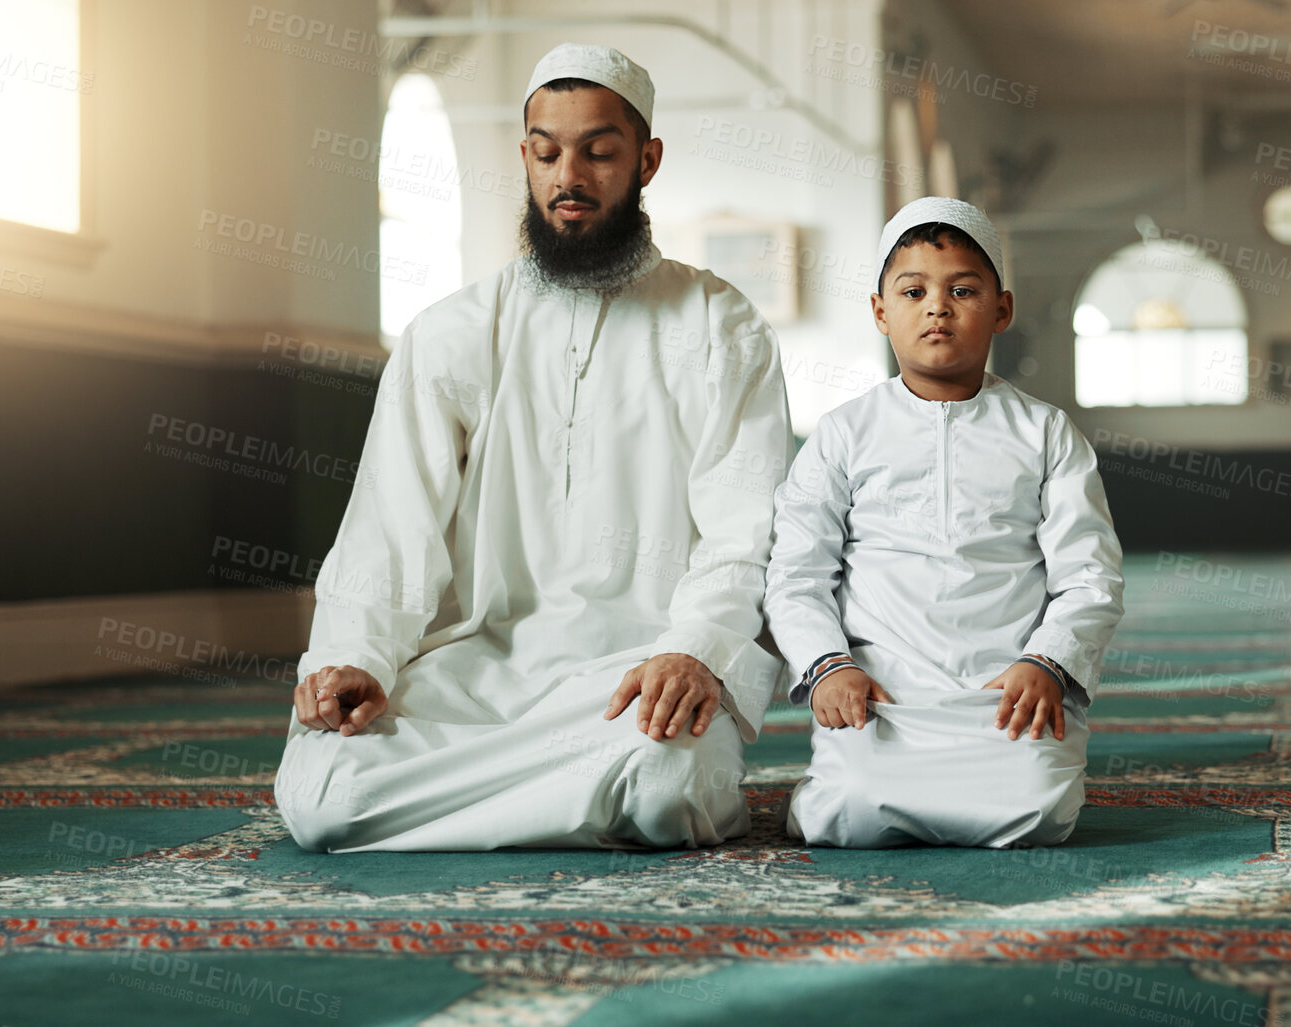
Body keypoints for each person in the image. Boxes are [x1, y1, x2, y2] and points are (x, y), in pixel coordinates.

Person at [272, 43, 794, 852]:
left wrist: (693, 650)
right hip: (475, 672)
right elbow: (390, 527)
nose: (568, 178)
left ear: (646, 160)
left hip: (638, 674)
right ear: (523, 156)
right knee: (323, 794)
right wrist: (355, 655)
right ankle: (571, 801)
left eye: (598, 151)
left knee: (669, 786)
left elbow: (743, 531)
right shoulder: (449, 332)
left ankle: (477, 804)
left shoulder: (719, 324)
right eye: (546, 152)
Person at [764, 197, 1124, 848]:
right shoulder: (842, 433)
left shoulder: (1044, 432)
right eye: (913, 290)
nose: (937, 306)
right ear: (880, 312)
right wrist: (828, 665)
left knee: (1037, 811)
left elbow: (1089, 573)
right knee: (845, 811)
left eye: (962, 289)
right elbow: (795, 572)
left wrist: (1046, 661)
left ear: (1001, 310)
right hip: (880, 691)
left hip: (1007, 687)